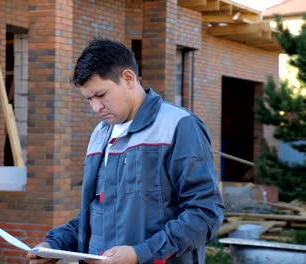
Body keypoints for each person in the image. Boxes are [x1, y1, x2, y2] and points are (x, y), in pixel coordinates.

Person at [27, 38, 224, 264]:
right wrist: (55, 245)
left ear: (128, 78)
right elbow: (96, 213)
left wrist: (141, 254)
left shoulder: (179, 126)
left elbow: (206, 213)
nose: (95, 108)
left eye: (101, 95)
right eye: (88, 99)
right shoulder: (100, 135)